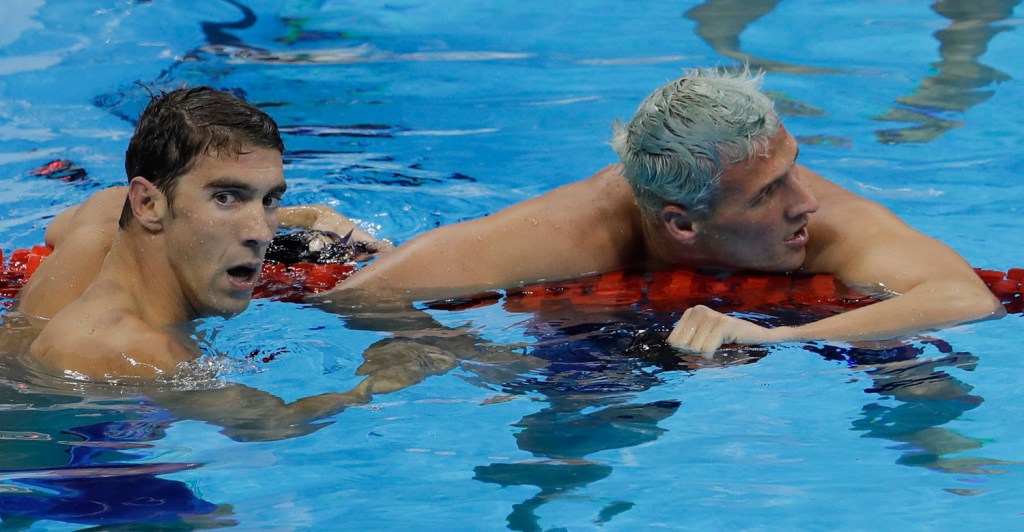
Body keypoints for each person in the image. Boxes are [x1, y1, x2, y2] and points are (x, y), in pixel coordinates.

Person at [333, 68, 1004, 355]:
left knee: (914, 366)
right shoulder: (575, 231)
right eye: (768, 191)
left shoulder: (828, 220)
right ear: (681, 223)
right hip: (607, 323)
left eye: (794, 166)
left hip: (777, 327)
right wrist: (483, 358)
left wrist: (774, 338)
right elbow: (362, 297)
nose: (807, 201)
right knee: (580, 397)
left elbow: (963, 298)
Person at [11, 86, 382, 381]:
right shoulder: (139, 353)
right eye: (225, 197)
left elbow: (59, 224)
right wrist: (398, 369)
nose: (260, 233)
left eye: (268, 199)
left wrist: (310, 215)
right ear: (147, 204)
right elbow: (272, 427)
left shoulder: (104, 217)